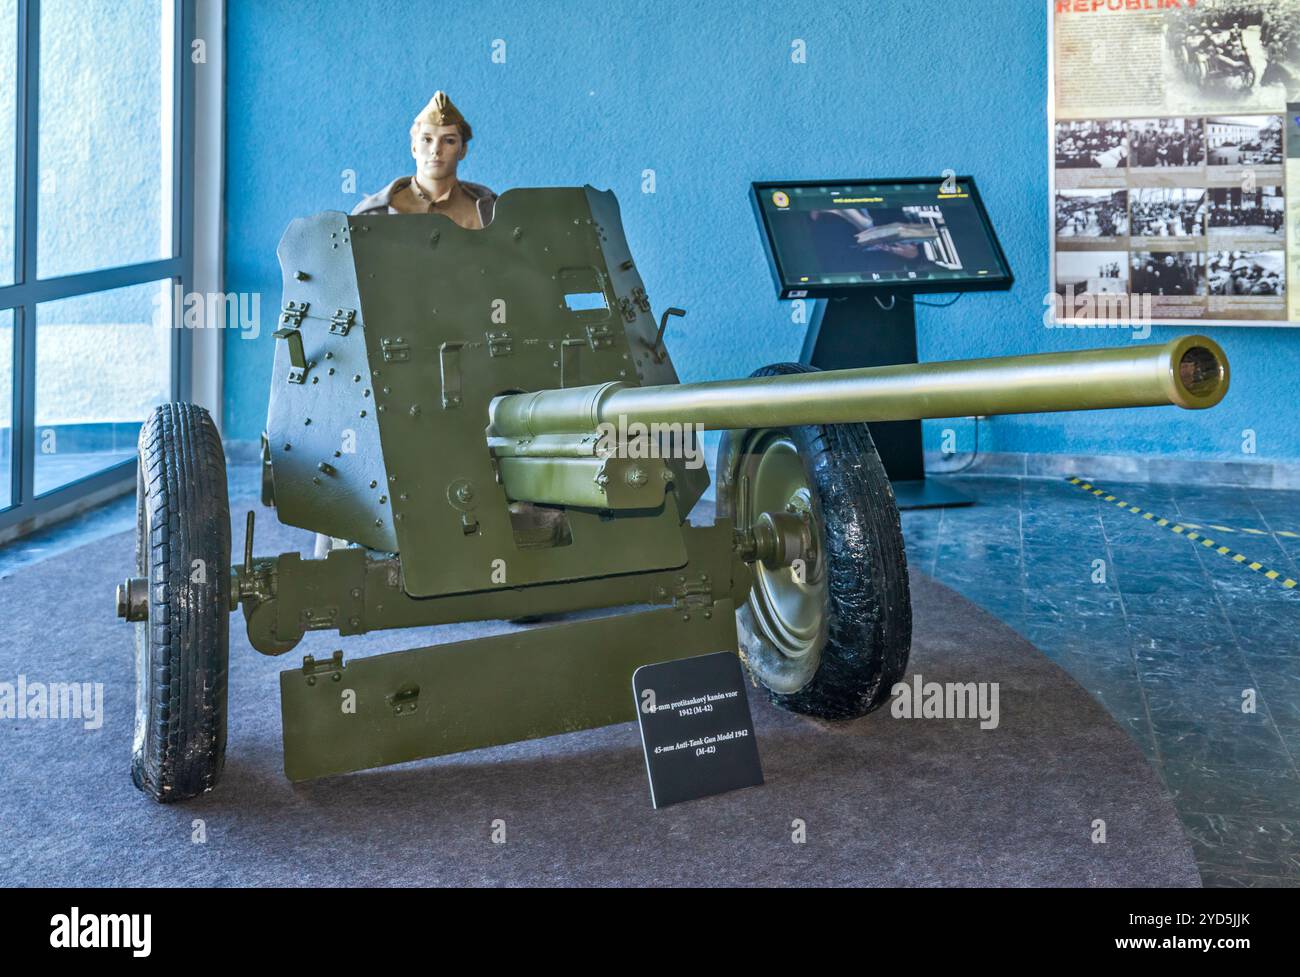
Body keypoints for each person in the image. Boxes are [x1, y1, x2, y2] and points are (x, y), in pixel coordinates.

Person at [353, 91, 496, 229]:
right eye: (426, 139)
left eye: (449, 141)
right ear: (414, 148)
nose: (436, 150)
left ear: (463, 150)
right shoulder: (374, 214)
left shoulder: (489, 213)